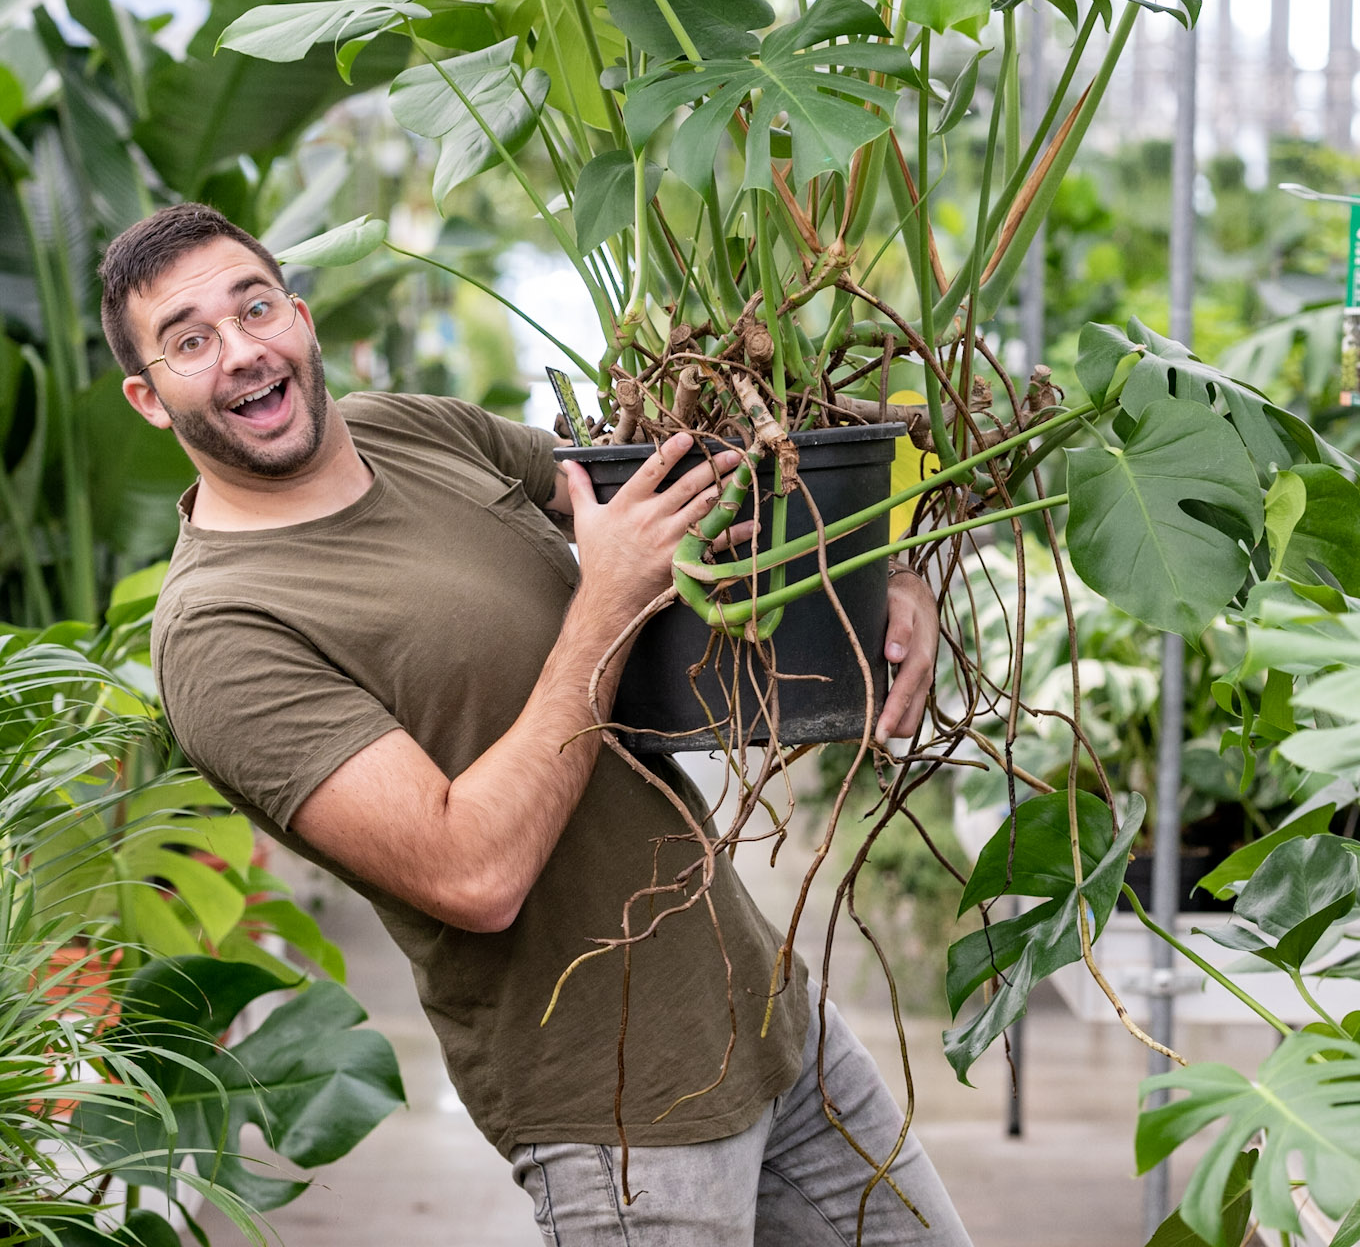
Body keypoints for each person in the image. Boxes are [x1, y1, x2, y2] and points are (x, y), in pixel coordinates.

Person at [104, 202, 973, 1246]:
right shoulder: (221, 634)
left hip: (770, 1018)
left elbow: (685, 502)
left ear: (300, 316)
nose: (241, 351)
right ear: (151, 399)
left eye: (254, 308)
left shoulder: (408, 429)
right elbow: (470, 872)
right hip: (618, 1120)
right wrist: (602, 600)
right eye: (192, 339)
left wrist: (885, 578)